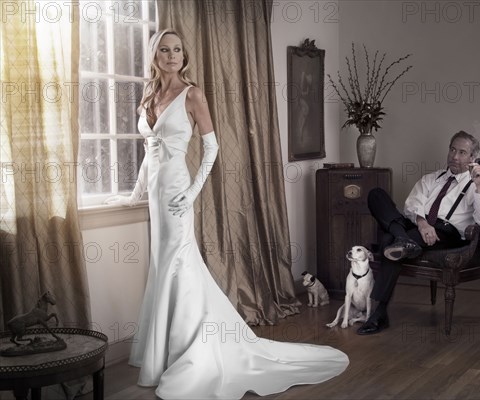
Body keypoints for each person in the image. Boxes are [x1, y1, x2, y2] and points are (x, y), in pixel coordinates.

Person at [106, 29, 348, 399]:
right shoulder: (149, 95)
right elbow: (149, 152)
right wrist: (134, 194)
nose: (172, 56)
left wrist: (191, 192)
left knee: (179, 264)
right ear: (155, 56)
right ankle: (169, 351)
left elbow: (212, 148)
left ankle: (194, 349)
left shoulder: (193, 94)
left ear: (184, 57)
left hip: (176, 190)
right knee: (163, 266)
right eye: (165, 50)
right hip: (155, 193)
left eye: (177, 50)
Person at [356, 131, 480, 335]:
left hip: (446, 234)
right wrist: (423, 224)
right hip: (418, 227)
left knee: (388, 239)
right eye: (452, 149)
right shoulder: (432, 178)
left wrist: (479, 184)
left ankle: (379, 313)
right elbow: (412, 206)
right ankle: (403, 241)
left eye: (462, 152)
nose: (454, 156)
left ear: (472, 158)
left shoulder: (476, 186)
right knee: (376, 195)